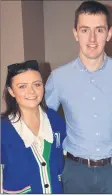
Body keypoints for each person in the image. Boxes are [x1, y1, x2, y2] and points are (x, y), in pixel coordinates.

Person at [45, 0, 112, 193]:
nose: (92, 38)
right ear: (75, 33)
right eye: (84, 30)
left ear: (109, 33)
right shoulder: (58, 78)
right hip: (74, 171)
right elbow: (40, 120)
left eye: (99, 30)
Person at [1, 60, 66, 194]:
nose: (31, 91)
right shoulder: (3, 129)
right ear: (11, 91)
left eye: (37, 84)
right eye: (22, 86)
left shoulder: (55, 120)